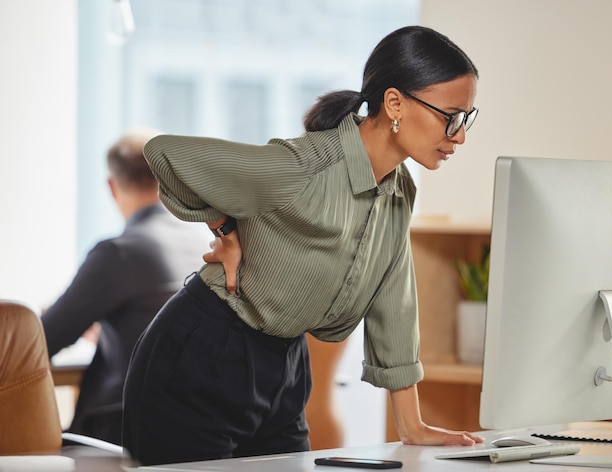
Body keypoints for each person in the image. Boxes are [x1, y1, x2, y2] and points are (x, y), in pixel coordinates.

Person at [122, 25, 483, 466]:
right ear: (394, 104)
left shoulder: (400, 188)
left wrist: (412, 425)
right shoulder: (302, 167)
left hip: (285, 367)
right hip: (202, 357)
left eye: (465, 118)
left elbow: (395, 300)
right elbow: (166, 154)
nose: (459, 134)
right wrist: (225, 230)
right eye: (451, 115)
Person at [42, 130, 208, 445]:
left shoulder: (120, 253)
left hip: (120, 434)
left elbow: (43, 340)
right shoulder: (207, 245)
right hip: (199, 431)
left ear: (112, 186)